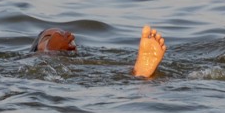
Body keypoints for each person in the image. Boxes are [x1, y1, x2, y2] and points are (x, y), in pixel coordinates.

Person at [31, 26, 168, 79]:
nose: (61, 37)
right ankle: (141, 76)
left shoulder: (86, 62)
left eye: (65, 37)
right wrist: (50, 50)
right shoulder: (31, 61)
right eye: (48, 37)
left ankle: (140, 73)